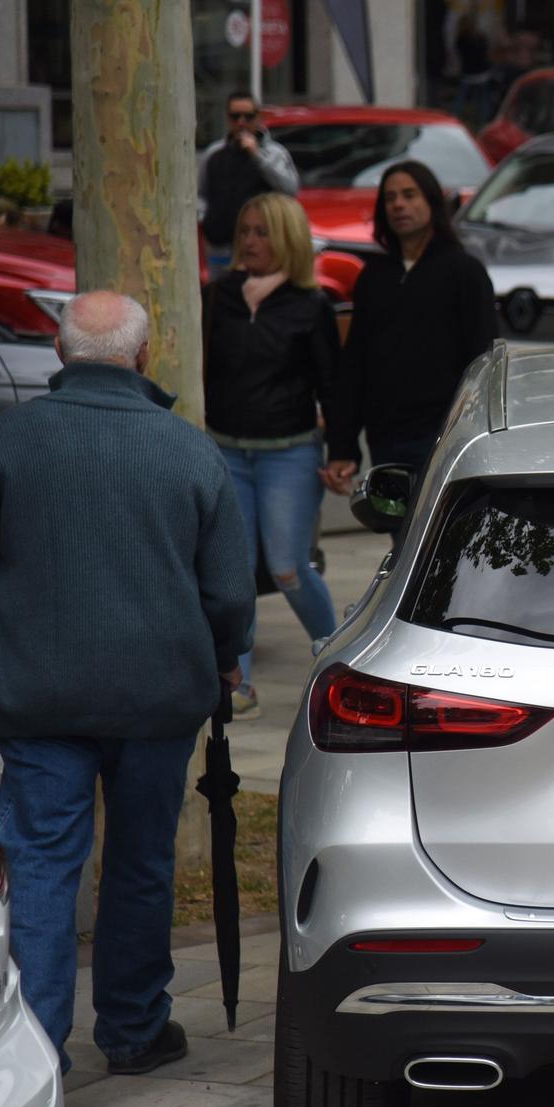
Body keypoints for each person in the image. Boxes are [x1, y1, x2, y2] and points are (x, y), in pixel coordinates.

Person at [0, 291, 254, 1075]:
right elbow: (228, 593)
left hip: (38, 692)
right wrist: (229, 655)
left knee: (41, 866)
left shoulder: (6, 442)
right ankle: (133, 1026)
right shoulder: (189, 450)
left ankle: (35, 1049)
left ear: (61, 355)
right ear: (143, 354)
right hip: (158, 694)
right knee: (140, 861)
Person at [204, 192, 341, 720]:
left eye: (262, 232)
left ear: (285, 238)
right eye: (244, 232)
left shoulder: (311, 305)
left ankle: (333, 650)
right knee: (233, 570)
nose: (250, 242)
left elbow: (333, 385)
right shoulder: (217, 296)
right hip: (226, 449)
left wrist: (343, 451)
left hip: (289, 452)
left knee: (286, 566)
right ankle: (238, 684)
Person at [325, 161, 498, 499]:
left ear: (432, 203)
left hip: (445, 438)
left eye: (409, 195)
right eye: (390, 198)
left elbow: (482, 362)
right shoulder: (374, 277)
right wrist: (342, 447)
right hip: (386, 438)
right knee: (398, 541)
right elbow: (354, 366)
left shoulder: (464, 272)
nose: (399, 205)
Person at [197, 92, 298, 280]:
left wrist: (257, 156)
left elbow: (290, 189)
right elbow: (201, 194)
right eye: (235, 117)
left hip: (263, 249)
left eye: (248, 117)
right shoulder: (214, 154)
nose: (241, 122)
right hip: (221, 247)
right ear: (227, 118)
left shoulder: (274, 154)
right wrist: (206, 218)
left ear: (258, 117)